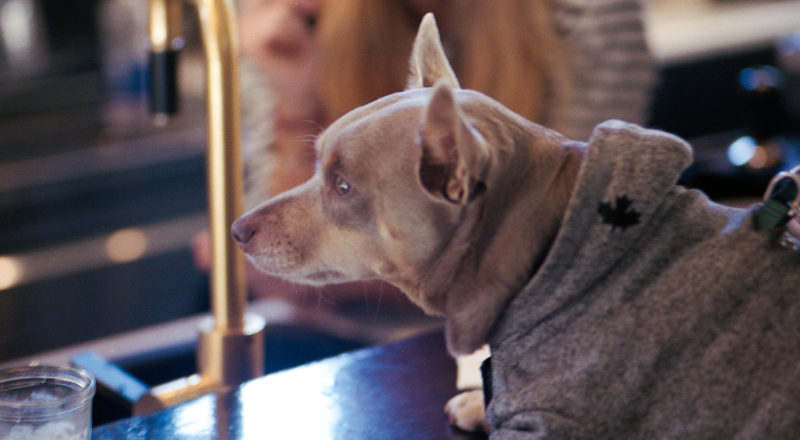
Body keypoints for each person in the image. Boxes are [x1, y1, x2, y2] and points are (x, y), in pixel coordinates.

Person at [195, 0, 657, 309]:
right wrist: (295, 100)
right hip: (347, 345)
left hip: (522, 336)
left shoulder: (588, 13)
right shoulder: (306, 18)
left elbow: (564, 252)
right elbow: (268, 252)